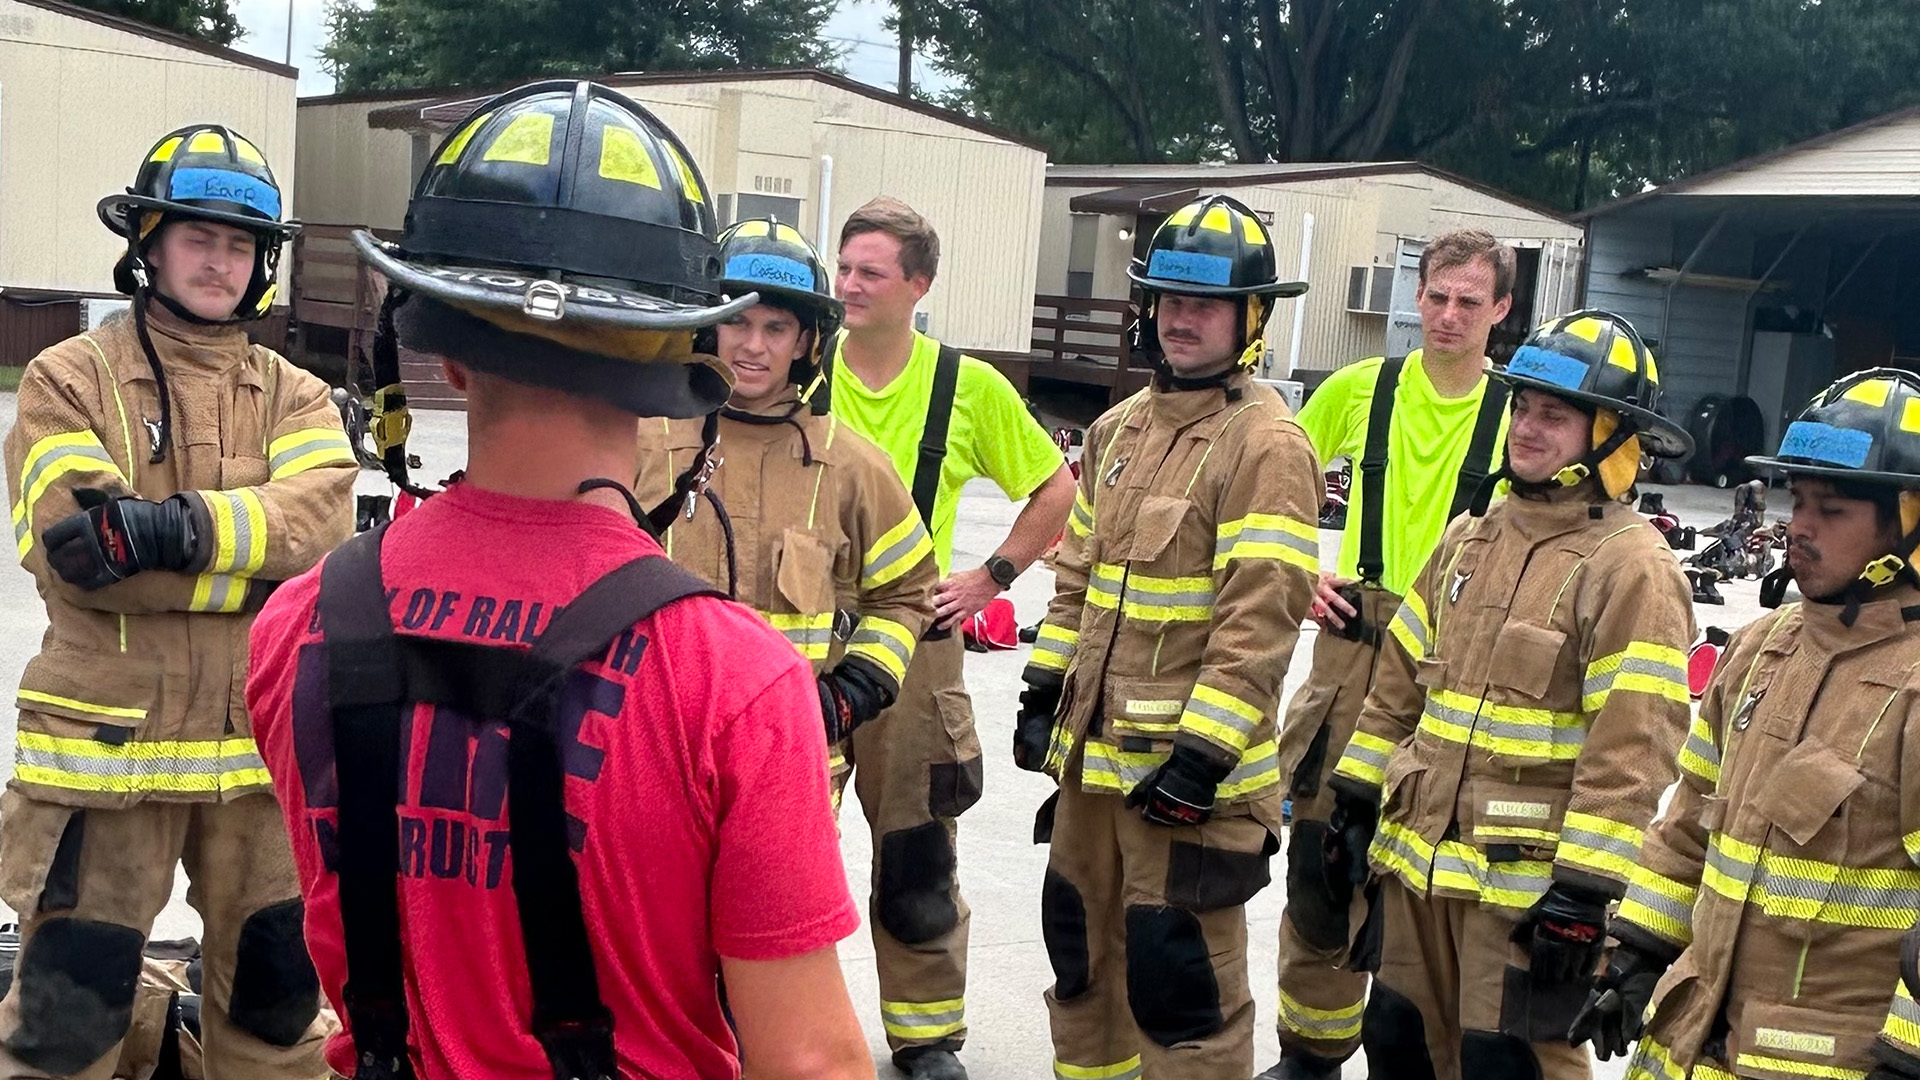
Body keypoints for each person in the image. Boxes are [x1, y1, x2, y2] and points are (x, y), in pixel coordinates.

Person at [244, 81, 872, 1080]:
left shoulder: (299, 627)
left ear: (447, 353)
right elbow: (811, 1061)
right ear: (683, 358)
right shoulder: (734, 679)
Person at [0, 124, 354, 1079]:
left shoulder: (301, 397)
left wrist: (168, 529)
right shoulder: (64, 379)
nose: (220, 260)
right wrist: (247, 549)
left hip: (258, 767)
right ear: (148, 244)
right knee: (66, 1029)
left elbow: (322, 534)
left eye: (241, 243)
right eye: (198, 236)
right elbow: (81, 550)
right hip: (102, 758)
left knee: (281, 1022)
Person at [1325, 310, 1697, 1079]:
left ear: (1611, 437)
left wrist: (1585, 893)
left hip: (1525, 903)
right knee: (1397, 1047)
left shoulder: (1632, 567)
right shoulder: (1470, 537)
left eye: (1553, 415)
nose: (1526, 427)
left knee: (1510, 1065)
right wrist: (1357, 800)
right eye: (1522, 407)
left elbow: (1634, 746)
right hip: (1418, 869)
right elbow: (1397, 685)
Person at [1016, 193, 1322, 1079]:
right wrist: (1044, 690)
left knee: (1179, 985)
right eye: (1169, 301)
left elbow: (1258, 620)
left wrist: (1202, 761)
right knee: (1081, 961)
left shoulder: (1267, 444)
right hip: (1092, 772)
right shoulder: (1117, 430)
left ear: (1250, 318)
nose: (1181, 320)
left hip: (1188, 788)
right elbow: (1076, 582)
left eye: (1206, 305)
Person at [1576, 368, 1920, 1080]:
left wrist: (1907, 1054)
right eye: (1800, 499)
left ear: (1907, 527)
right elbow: (1690, 818)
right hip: (1689, 1041)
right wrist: (1639, 947)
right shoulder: (1763, 646)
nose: (1800, 525)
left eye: (1834, 509)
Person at [825, 195, 1076, 1080]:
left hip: (915, 643)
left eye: (870, 273)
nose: (848, 286)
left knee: (918, 846)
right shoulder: (801, 364)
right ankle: (765, 1020)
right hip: (800, 637)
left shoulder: (966, 387)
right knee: (775, 848)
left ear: (919, 286)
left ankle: (926, 1035)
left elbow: (1055, 488)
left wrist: (991, 578)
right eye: (844, 267)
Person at [1263, 229, 1517, 1080]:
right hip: (1347, 656)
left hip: (1457, 668)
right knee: (1323, 856)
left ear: (1503, 311)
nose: (1448, 316)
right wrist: (1303, 570)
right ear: (1418, 298)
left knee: (1421, 876)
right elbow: (1270, 481)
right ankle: (1311, 1051)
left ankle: (1405, 1056)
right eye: (1436, 297)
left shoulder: (1522, 415)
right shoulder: (1359, 391)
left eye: (1469, 302)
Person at [635, 218, 938, 813]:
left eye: (776, 328)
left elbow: (907, 596)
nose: (753, 346)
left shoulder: (853, 467)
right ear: (706, 326)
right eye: (736, 322)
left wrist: (853, 693)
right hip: (652, 764)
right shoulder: (640, 441)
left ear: (807, 343)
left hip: (793, 773)